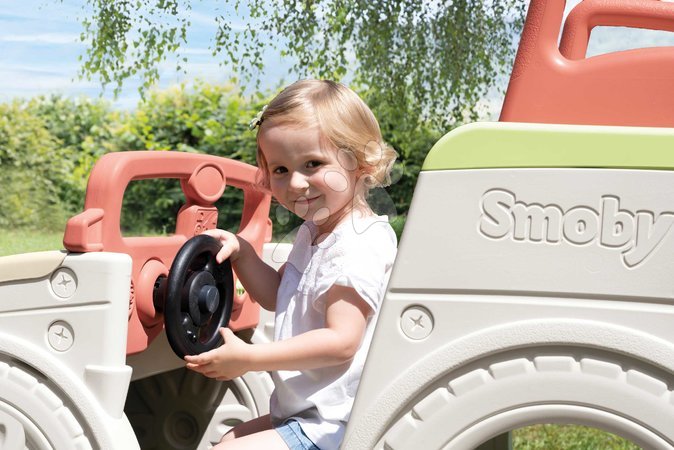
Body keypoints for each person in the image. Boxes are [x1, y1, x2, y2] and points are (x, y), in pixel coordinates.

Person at [184, 79, 398, 450]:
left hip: (338, 422)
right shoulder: (314, 233)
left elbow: (342, 341)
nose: (296, 183)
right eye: (280, 169)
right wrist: (243, 253)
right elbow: (276, 295)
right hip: (305, 411)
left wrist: (250, 358)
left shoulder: (359, 243)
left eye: (312, 164)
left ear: (359, 162)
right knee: (230, 439)